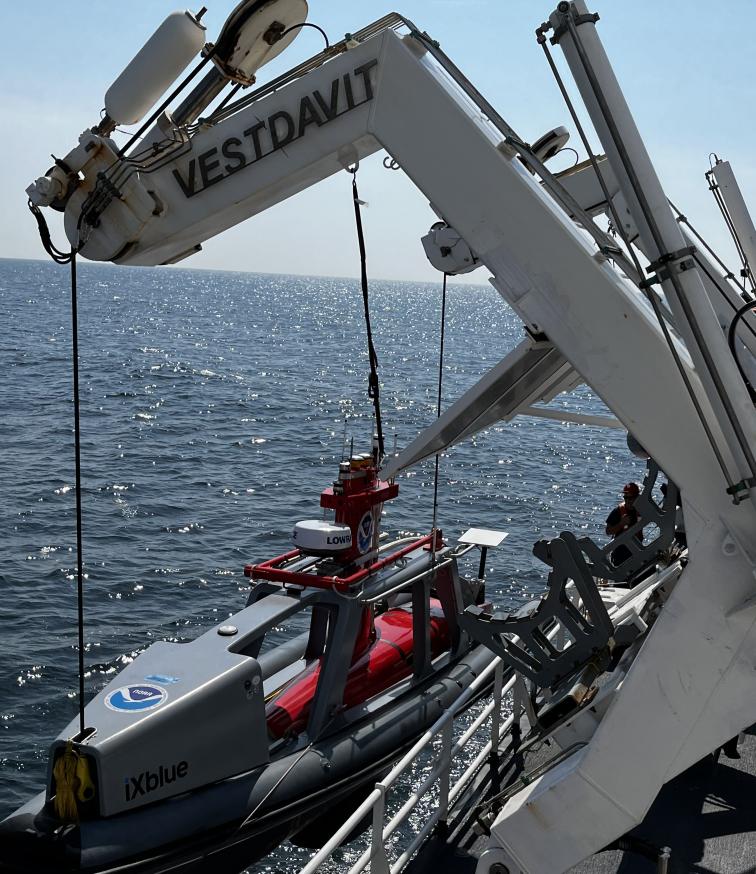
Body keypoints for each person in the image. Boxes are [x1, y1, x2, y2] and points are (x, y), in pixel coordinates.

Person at [605, 482, 641, 566]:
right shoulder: (617, 511)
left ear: (637, 497)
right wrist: (621, 524)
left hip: (637, 550)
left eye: (630, 497)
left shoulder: (641, 510)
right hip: (620, 553)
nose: (627, 500)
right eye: (625, 497)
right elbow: (608, 531)